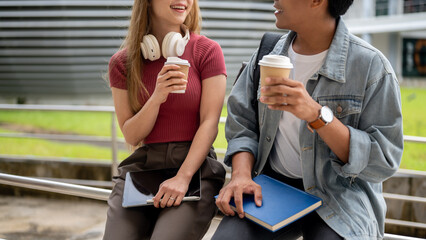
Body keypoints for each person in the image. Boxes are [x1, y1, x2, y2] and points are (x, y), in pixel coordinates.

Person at [213, 0, 403, 239]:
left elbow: (383, 161)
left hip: (339, 197)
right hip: (272, 188)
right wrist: (241, 175)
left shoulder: (371, 67)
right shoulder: (268, 54)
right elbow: (242, 123)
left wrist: (316, 115)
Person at [103, 0, 227, 239]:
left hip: (194, 169)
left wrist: (182, 177)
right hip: (143, 168)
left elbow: (210, 123)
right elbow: (131, 135)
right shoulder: (122, 63)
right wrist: (158, 96)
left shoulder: (207, 51)